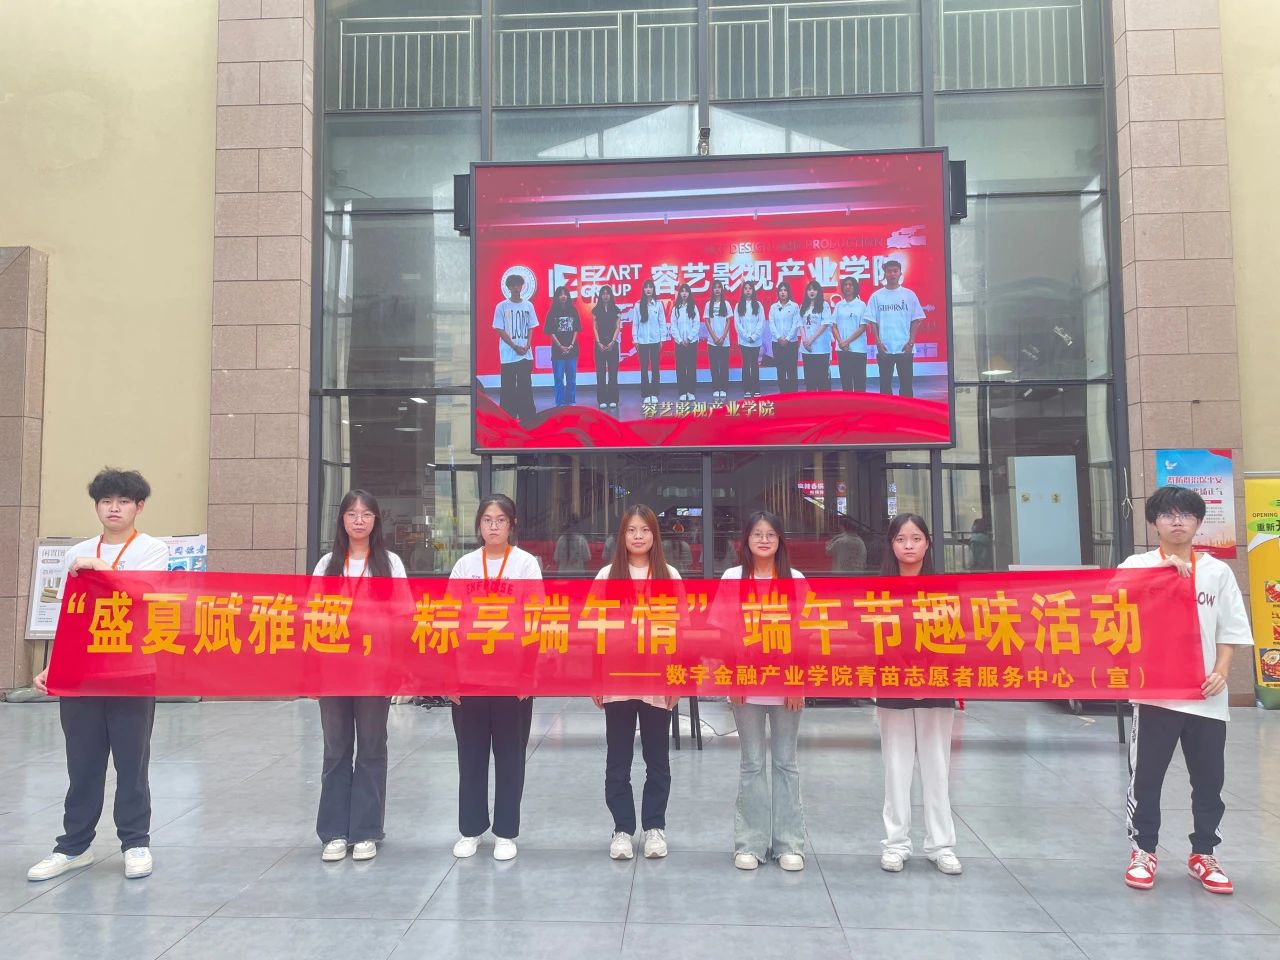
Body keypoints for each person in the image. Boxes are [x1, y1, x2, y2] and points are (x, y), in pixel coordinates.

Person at [28, 468, 171, 883]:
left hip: (133, 670)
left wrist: (99, 569)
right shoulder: (78, 553)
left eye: (123, 501)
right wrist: (54, 664)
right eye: (106, 501)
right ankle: (73, 847)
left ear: (138, 507)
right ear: (96, 507)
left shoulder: (152, 549)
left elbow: (144, 594)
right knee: (83, 763)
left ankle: (135, 842)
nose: (114, 508)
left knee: (131, 762)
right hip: (83, 674)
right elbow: (72, 616)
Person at [1120, 485, 1253, 895]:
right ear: (1153, 523)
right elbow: (1109, 602)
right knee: (1147, 779)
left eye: (1186, 514)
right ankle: (1144, 850)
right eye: (1168, 514)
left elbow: (1230, 628)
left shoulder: (1217, 572)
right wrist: (1159, 577)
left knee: (1209, 779)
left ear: (1198, 522)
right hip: (1156, 694)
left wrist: (1222, 671)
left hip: (1206, 696)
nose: (1177, 521)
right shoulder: (1136, 565)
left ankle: (1204, 853)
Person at [312, 489, 407, 863]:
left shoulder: (390, 563)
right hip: (334, 671)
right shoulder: (327, 565)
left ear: (376, 521)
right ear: (341, 520)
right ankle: (334, 832)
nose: (359, 520)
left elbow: (403, 617)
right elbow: (312, 617)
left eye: (366, 514)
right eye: (352, 513)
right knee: (336, 750)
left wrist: (397, 669)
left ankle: (366, 831)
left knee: (371, 748)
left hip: (374, 672)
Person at [448, 494, 543, 861]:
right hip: (470, 676)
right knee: (470, 755)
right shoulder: (465, 566)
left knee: (510, 756)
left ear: (511, 525)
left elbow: (535, 621)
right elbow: (449, 621)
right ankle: (470, 829)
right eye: (487, 519)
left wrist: (528, 675)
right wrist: (451, 676)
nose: (493, 526)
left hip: (512, 678)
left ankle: (506, 831)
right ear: (479, 525)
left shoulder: (525, 564)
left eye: (500, 520)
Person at [593, 506, 681, 860]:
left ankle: (655, 827)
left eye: (645, 529)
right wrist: (596, 678)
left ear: (655, 535)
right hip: (617, 681)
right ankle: (622, 829)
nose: (639, 536)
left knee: (657, 759)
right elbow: (594, 631)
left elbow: (681, 631)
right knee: (618, 759)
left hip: (658, 681)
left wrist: (677, 679)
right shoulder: (607, 576)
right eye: (632, 530)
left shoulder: (669, 575)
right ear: (623, 536)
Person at [876, 513, 962, 876]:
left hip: (936, 684)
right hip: (892, 683)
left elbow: (955, 636)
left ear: (928, 543)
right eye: (900, 539)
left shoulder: (945, 587)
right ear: (891, 545)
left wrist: (928, 675)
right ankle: (896, 844)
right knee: (896, 768)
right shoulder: (878, 590)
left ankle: (941, 845)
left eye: (915, 538)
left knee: (936, 766)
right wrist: (901, 672)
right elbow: (873, 638)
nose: (908, 546)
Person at [723, 511, 807, 872]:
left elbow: (805, 635)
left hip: (786, 686)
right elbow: (724, 634)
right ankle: (750, 843)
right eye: (757, 534)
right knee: (752, 763)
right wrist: (733, 679)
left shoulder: (795, 580)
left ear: (780, 541)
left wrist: (797, 681)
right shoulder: (732, 579)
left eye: (770, 534)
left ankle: (789, 844)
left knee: (786, 763)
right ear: (746, 540)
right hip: (746, 685)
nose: (763, 540)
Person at [865, 260, 925, 398]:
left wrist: (911, 342)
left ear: (900, 273)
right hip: (884, 348)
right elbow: (872, 321)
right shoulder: (877, 296)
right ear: (884, 274)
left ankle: (907, 409)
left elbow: (916, 320)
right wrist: (878, 342)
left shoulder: (909, 295)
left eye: (895, 271)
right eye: (889, 271)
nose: (892, 274)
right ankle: (886, 410)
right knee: (885, 385)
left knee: (906, 385)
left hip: (905, 348)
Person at [494, 273, 539, 422]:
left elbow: (531, 327)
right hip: (508, 354)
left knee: (525, 385)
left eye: (518, 285)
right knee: (508, 387)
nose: (516, 288)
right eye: (512, 285)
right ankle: (508, 417)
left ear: (522, 286)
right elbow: (499, 329)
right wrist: (514, 346)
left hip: (525, 354)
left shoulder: (528, 305)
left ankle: (528, 417)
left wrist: (527, 345)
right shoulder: (501, 306)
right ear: (508, 287)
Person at [628, 278, 668, 405]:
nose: (648, 289)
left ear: (653, 289)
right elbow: (635, 324)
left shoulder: (658, 304)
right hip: (642, 341)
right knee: (644, 368)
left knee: (655, 367)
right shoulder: (638, 305)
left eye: (650, 287)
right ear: (643, 290)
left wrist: (662, 339)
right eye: (646, 287)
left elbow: (662, 323)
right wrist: (635, 339)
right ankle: (646, 394)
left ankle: (655, 393)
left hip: (655, 340)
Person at [832, 275, 869, 392]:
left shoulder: (861, 305)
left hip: (858, 349)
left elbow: (863, 326)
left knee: (859, 381)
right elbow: (833, 325)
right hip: (842, 349)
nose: (847, 287)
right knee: (845, 381)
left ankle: (860, 403)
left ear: (855, 287)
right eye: (845, 285)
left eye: (850, 285)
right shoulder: (839, 305)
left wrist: (847, 341)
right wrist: (841, 342)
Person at [546, 285, 580, 407]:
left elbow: (576, 329)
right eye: (560, 294)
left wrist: (571, 345)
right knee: (559, 379)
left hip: (572, 350)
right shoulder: (552, 312)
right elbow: (550, 331)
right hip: (557, 352)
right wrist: (560, 346)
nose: (563, 296)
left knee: (571, 379)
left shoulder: (573, 310)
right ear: (557, 297)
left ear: (568, 296)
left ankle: (571, 401)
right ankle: (559, 403)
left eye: (565, 294)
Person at [798, 280, 833, 391]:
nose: (812, 292)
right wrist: (805, 341)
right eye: (809, 289)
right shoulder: (803, 306)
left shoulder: (824, 305)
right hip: (807, 349)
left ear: (818, 291)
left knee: (823, 380)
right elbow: (800, 324)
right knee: (810, 380)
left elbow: (825, 324)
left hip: (821, 348)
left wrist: (811, 340)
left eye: (814, 289)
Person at [734, 280, 765, 398]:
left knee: (755, 364)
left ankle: (756, 389)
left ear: (753, 290)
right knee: (746, 364)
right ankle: (746, 389)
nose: (748, 290)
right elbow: (737, 324)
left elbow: (761, 322)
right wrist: (747, 336)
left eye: (750, 288)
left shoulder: (758, 305)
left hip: (756, 341)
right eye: (745, 288)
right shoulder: (738, 305)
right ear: (743, 291)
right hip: (744, 341)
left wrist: (754, 336)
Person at [670, 283, 702, 401]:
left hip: (691, 342)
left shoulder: (693, 307)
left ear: (689, 293)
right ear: (679, 293)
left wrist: (689, 338)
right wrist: (679, 340)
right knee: (681, 368)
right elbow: (673, 326)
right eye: (682, 291)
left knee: (691, 367)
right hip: (679, 343)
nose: (684, 293)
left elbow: (696, 324)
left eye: (686, 291)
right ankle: (682, 392)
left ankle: (691, 391)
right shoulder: (675, 309)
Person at [768, 281, 801, 393]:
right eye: (781, 290)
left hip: (791, 343)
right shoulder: (773, 307)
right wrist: (779, 337)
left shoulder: (794, 306)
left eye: (785, 290)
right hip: (777, 343)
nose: (783, 292)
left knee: (792, 370)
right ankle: (783, 394)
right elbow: (771, 324)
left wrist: (787, 338)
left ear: (788, 292)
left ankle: (793, 395)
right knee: (780, 370)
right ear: (778, 293)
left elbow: (795, 324)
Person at [593, 286, 622, 411]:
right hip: (599, 344)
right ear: (600, 296)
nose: (605, 296)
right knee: (600, 373)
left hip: (612, 344)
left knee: (613, 373)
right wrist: (598, 342)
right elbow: (594, 327)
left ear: (611, 295)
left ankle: (613, 399)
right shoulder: (595, 310)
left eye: (607, 293)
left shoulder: (616, 310)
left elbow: (617, 327)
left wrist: (613, 342)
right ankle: (602, 400)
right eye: (603, 293)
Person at [704, 280, 733, 401]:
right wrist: (715, 337)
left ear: (722, 289)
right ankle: (716, 388)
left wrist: (723, 337)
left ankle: (723, 388)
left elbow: (729, 321)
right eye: (715, 287)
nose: (717, 289)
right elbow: (707, 321)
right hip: (712, 341)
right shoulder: (708, 304)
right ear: (712, 290)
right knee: (714, 366)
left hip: (724, 341)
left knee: (724, 366)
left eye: (719, 287)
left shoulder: (726, 304)